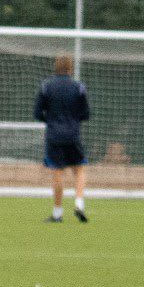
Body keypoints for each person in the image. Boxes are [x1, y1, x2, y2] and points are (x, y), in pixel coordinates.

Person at [35, 55, 91, 222]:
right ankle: (79, 204)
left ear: (55, 67)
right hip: (72, 135)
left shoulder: (46, 87)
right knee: (79, 169)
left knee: (58, 173)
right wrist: (73, 121)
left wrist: (51, 121)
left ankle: (58, 213)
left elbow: (37, 113)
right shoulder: (78, 87)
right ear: (70, 68)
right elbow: (86, 113)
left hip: (54, 136)